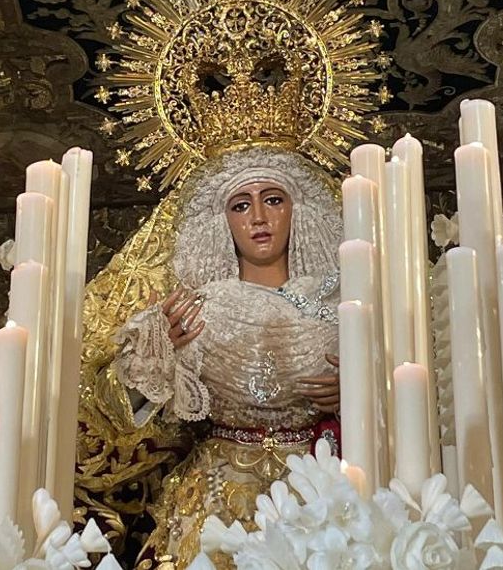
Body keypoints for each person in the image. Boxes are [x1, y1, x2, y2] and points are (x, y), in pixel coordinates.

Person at [97, 145, 344, 568]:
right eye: (241, 205)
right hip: (217, 491)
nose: (259, 218)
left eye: (273, 200)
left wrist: (355, 394)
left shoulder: (341, 307)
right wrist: (161, 353)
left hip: (317, 487)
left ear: (297, 210)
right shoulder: (195, 311)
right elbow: (124, 409)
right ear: (222, 222)